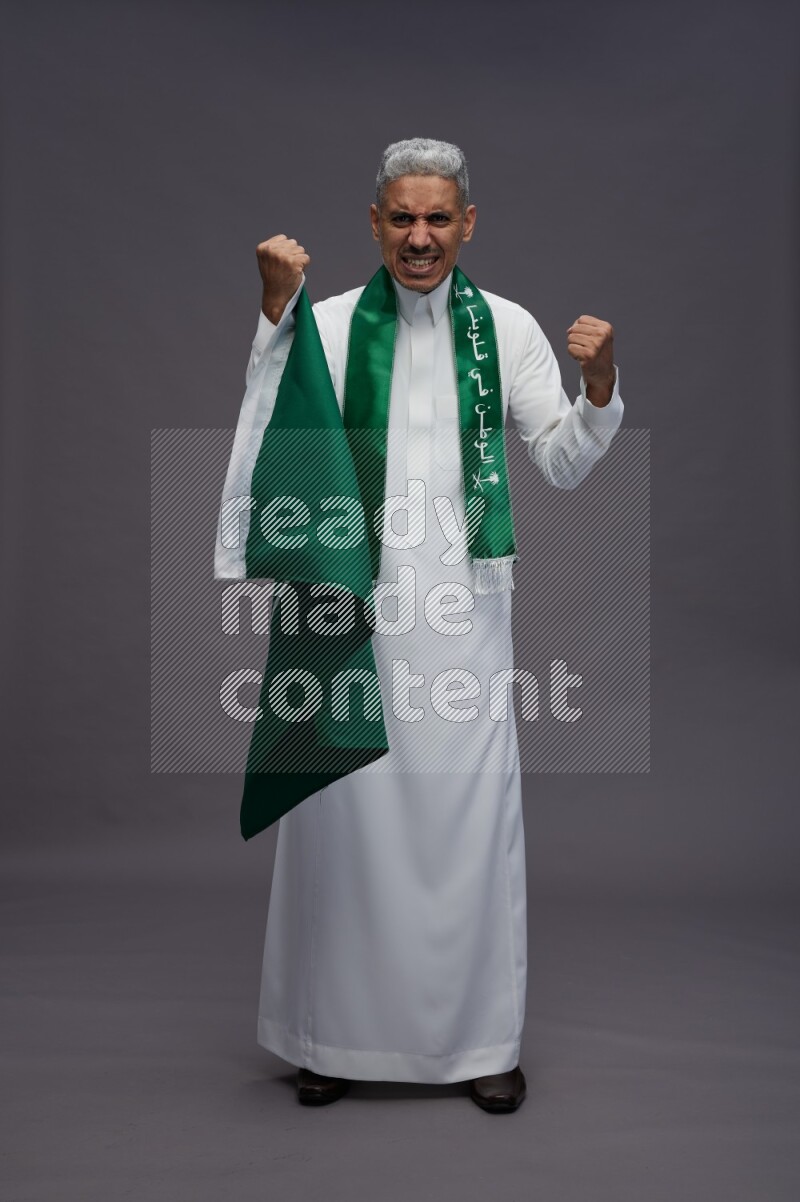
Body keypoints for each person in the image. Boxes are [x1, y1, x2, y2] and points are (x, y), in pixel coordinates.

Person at [215, 138, 623, 1113]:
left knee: (465, 827)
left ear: (466, 223)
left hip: (463, 621)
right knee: (340, 821)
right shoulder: (325, 320)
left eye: (437, 217)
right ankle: (332, 1036)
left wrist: (599, 386)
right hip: (347, 613)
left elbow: (561, 459)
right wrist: (273, 312)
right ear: (374, 223)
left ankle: (479, 1040)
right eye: (401, 217)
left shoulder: (506, 330)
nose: (419, 236)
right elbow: (270, 422)